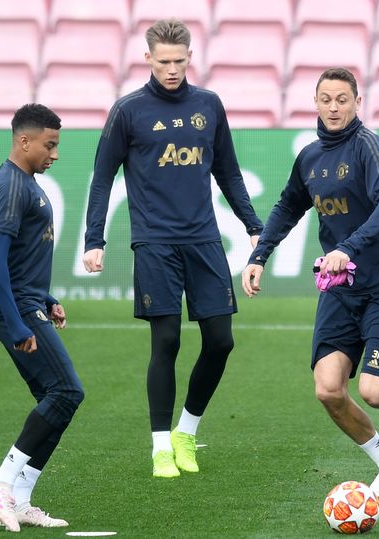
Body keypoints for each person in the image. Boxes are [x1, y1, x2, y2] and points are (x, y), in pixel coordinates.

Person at [83, 19, 263, 478]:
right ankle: (161, 446)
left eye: (179, 61)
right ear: (147, 58)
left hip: (203, 238)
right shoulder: (128, 110)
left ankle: (187, 431)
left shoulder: (209, 105)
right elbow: (102, 177)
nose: (171, 69)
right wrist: (94, 239)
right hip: (155, 241)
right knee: (166, 339)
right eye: (163, 61)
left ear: (190, 58)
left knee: (221, 341)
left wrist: (253, 226)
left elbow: (228, 171)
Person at [241, 67, 379, 498]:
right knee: (329, 389)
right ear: (315, 102)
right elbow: (287, 207)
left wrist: (349, 246)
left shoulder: (370, 147)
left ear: (357, 103)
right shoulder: (309, 157)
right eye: (326, 99)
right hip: (340, 289)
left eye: (342, 99)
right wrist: (259, 255)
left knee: (375, 392)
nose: (333, 107)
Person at [0, 103, 84, 531]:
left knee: (57, 401)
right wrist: (18, 324)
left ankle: (20, 499)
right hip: (15, 308)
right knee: (66, 392)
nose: (54, 154)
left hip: (28, 301)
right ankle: (1, 481)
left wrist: (48, 297)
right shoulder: (10, 186)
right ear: (24, 141)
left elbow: (21, 257)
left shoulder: (26, 183)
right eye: (49, 145)